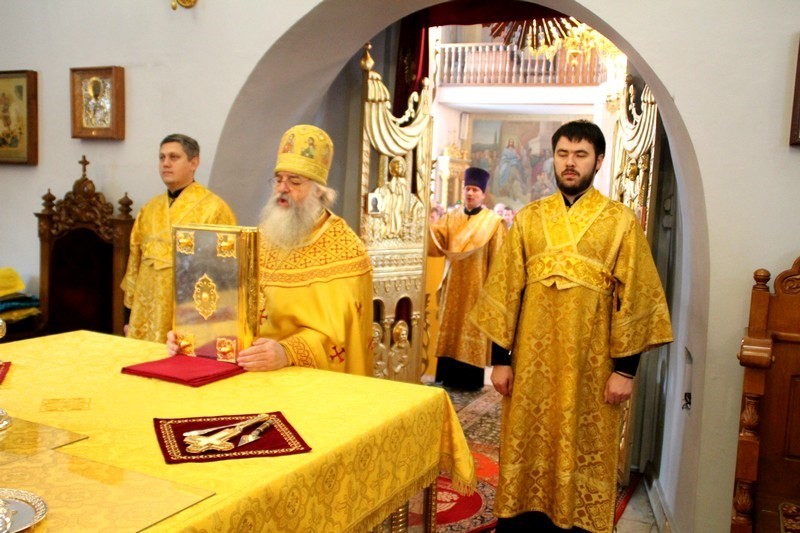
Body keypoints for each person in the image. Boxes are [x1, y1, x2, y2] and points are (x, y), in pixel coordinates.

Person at [469, 120, 673, 532]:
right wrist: (500, 360)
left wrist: (626, 370)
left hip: (591, 368)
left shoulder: (619, 222)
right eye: (563, 153)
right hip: (531, 367)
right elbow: (506, 290)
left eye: (580, 155)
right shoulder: (529, 219)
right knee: (529, 449)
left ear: (598, 161)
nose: (570, 162)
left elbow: (637, 296)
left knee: (584, 450)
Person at [167, 124, 374, 375]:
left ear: (319, 191)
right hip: (249, 370)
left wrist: (287, 353)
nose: (282, 188)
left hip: (306, 380)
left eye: (294, 181)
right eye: (278, 180)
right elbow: (233, 304)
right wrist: (193, 334)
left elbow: (340, 334)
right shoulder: (265, 235)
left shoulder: (344, 249)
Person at [122, 133, 236, 343]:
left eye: (174, 157)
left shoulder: (214, 209)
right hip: (145, 313)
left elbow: (225, 274)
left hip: (189, 316)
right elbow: (134, 265)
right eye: (162, 157)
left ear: (194, 163)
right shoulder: (149, 209)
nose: (166, 163)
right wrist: (128, 316)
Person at [428, 167, 507, 390]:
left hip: (477, 288)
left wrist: (492, 292)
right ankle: (445, 375)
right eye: (467, 189)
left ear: (483, 194)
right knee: (451, 327)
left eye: (475, 190)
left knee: (472, 328)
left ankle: (470, 380)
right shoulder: (451, 217)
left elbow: (499, 260)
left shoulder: (493, 222)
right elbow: (435, 244)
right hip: (453, 285)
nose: (470, 193)